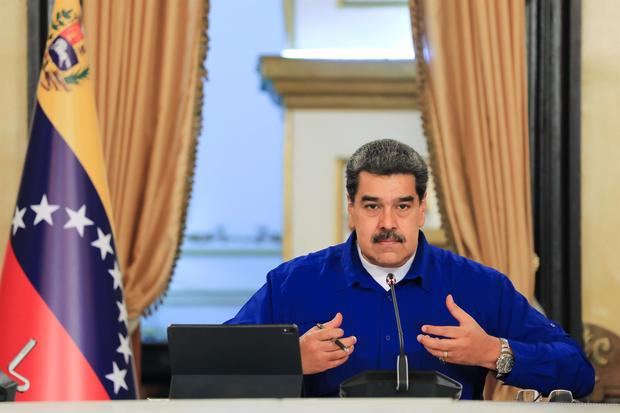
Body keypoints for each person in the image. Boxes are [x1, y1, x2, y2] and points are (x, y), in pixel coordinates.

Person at [227, 139, 594, 399]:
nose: (388, 223)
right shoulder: (293, 284)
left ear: (421, 210)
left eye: (402, 207)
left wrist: (492, 352)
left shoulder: (479, 286)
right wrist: (288, 360)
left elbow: (578, 372)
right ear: (351, 209)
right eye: (372, 207)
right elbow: (209, 367)